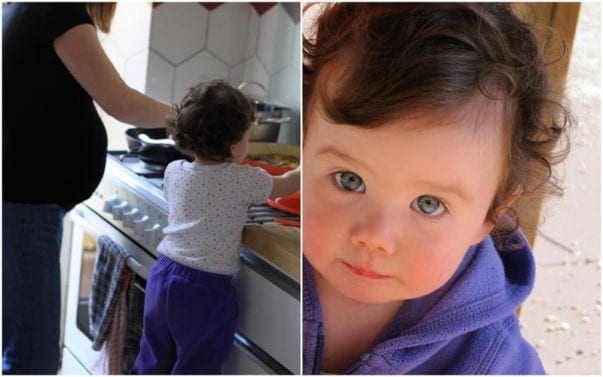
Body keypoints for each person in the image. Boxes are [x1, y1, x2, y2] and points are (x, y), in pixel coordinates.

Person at [302, 3, 570, 374]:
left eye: (428, 204)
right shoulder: (264, 264)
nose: (375, 237)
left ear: (490, 214)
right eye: (350, 180)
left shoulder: (492, 361)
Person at [3, 3, 174, 374]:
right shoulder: (58, 11)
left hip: (22, 202)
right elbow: (123, 103)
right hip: (25, 205)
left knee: (22, 342)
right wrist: (191, 115)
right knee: (33, 357)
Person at [131, 79, 300, 374]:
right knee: (197, 364)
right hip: (203, 289)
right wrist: (310, 164)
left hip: (164, 274)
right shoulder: (243, 179)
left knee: (153, 358)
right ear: (235, 144)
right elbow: (284, 186)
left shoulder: (174, 170)